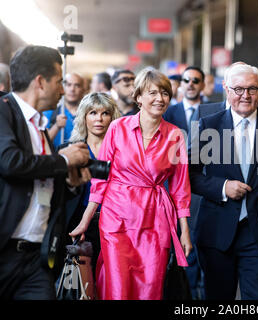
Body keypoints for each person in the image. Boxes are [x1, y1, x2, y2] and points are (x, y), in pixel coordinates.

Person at [70, 67, 192, 300]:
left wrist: (184, 231)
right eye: (152, 93)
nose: (160, 99)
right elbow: (100, 180)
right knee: (118, 285)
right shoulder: (117, 128)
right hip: (117, 218)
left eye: (165, 93)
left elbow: (180, 188)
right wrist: (85, 221)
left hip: (156, 221)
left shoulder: (175, 135)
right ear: (138, 97)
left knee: (150, 287)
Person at [189, 63, 258, 300]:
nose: (245, 95)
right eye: (238, 89)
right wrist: (222, 187)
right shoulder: (209, 126)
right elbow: (190, 175)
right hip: (216, 234)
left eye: (252, 89)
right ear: (226, 90)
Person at [0, 45, 91, 300]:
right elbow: (10, 162)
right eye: (59, 82)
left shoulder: (40, 126)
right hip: (4, 250)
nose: (63, 90)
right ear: (40, 82)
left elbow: (44, 181)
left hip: (37, 258)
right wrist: (63, 159)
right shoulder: (3, 110)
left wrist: (72, 183)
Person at [163, 66, 222, 300]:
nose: (190, 84)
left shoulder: (215, 111)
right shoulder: (169, 112)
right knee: (181, 237)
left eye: (195, 80)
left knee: (201, 235)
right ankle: (186, 291)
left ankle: (201, 289)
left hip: (204, 184)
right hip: (175, 184)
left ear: (202, 84)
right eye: (185, 80)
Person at [65, 92, 121, 275]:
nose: (99, 119)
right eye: (93, 113)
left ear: (113, 117)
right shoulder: (70, 150)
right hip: (78, 222)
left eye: (105, 113)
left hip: (116, 222)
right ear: (84, 116)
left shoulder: (122, 151)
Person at [44, 73, 85, 148]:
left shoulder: (88, 115)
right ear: (62, 88)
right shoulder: (49, 112)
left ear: (83, 89)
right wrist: (56, 126)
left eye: (77, 85)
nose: (72, 89)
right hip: (57, 158)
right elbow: (42, 143)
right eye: (68, 85)